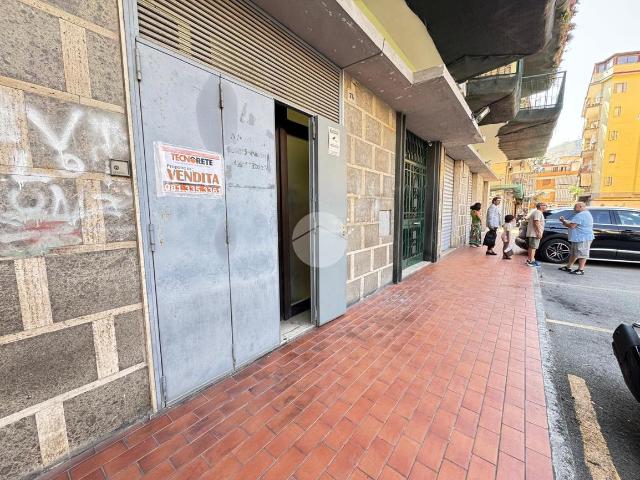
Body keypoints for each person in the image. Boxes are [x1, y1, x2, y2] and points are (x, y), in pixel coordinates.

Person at [558, 202, 594, 275]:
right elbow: (575, 224)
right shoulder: (586, 213)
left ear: (580, 207)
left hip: (582, 238)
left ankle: (580, 270)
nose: (573, 209)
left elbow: (572, 226)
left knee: (582, 254)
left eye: (575, 207)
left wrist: (563, 222)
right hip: (579, 237)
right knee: (574, 253)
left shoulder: (580, 215)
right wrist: (566, 221)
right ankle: (568, 267)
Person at [526, 202, 547, 266]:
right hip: (534, 233)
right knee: (533, 247)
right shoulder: (538, 212)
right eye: (545, 205)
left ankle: (530, 260)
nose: (546, 206)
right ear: (540, 206)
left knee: (531, 247)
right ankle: (531, 261)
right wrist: (539, 232)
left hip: (533, 233)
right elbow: (536, 222)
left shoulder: (536, 212)